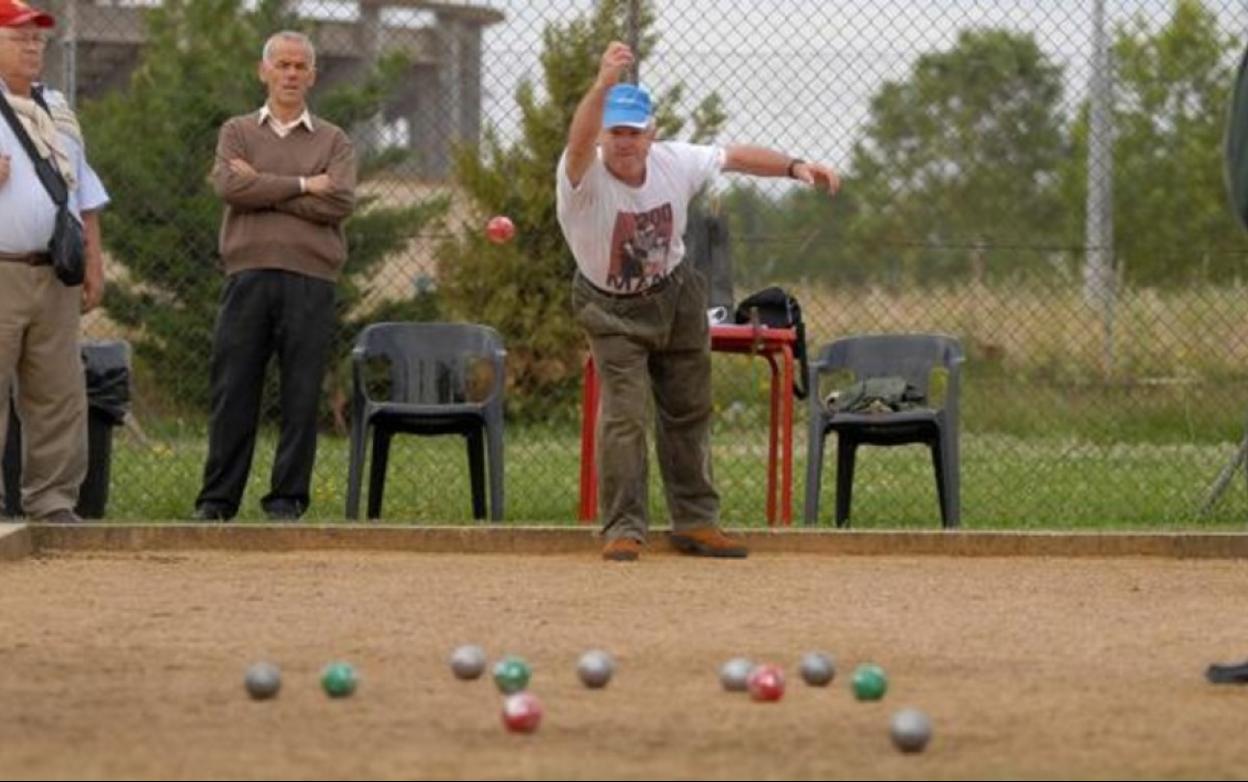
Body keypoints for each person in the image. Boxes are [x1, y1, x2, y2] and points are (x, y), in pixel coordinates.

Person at [557, 42, 840, 561]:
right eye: (615, 132)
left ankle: (695, 522)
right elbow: (577, 141)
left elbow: (734, 157)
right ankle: (624, 527)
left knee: (688, 409)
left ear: (651, 134)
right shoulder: (582, 176)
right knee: (623, 415)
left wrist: (797, 167)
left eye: (634, 132)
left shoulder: (673, 162)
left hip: (677, 293)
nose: (625, 142)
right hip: (610, 308)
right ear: (603, 136)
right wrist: (602, 86)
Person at [192, 31, 356, 521]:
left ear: (312, 76)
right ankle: (217, 502)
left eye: (299, 66)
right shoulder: (237, 132)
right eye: (281, 65)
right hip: (247, 276)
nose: (290, 74)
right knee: (234, 390)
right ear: (263, 71)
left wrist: (259, 184)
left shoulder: (335, 140)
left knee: (301, 394)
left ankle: (287, 500)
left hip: (311, 279)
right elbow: (228, 185)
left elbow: (341, 201)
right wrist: (306, 183)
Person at [0, 0, 108, 523]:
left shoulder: (58, 107)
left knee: (58, 394)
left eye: (38, 38)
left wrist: (94, 260)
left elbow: (83, 190)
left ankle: (52, 502)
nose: (32, 47)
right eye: (19, 37)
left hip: (55, 273)